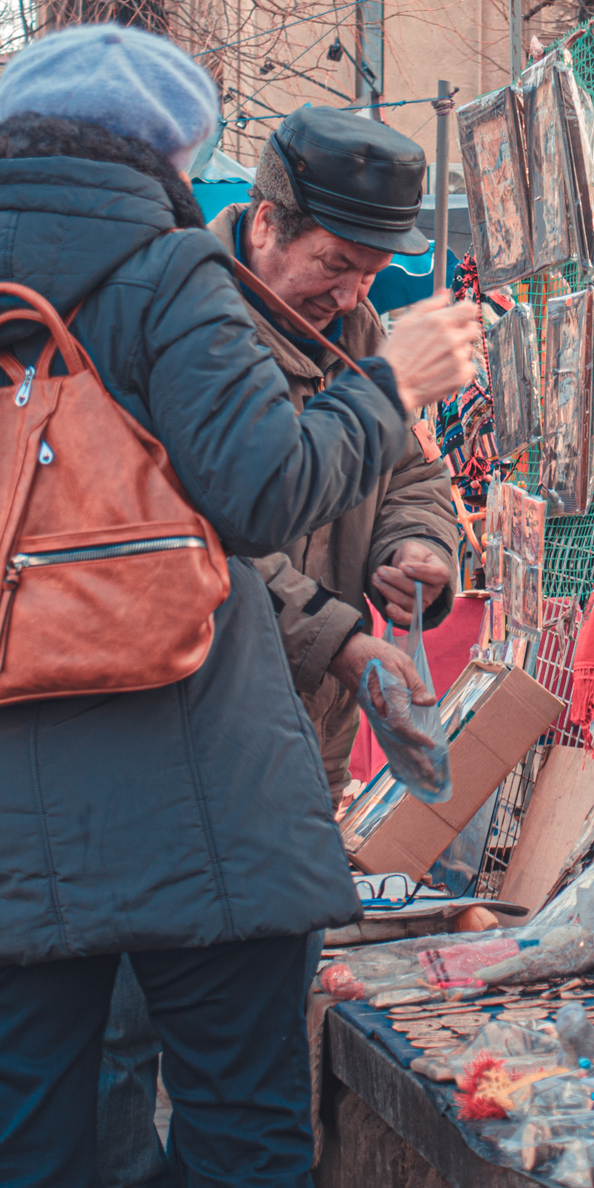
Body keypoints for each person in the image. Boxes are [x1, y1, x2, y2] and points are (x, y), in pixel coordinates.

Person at [0, 23, 479, 1188]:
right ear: (171, 154)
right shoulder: (170, 277)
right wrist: (388, 388)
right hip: (206, 786)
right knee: (246, 1150)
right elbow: (264, 487)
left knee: (20, 1165)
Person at [213, 105, 461, 786]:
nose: (352, 296)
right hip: (209, 741)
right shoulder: (194, 330)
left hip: (313, 741)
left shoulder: (357, 330)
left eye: (371, 274)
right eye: (335, 264)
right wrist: (338, 640)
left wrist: (417, 547)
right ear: (266, 223)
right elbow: (211, 540)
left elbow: (409, 471)